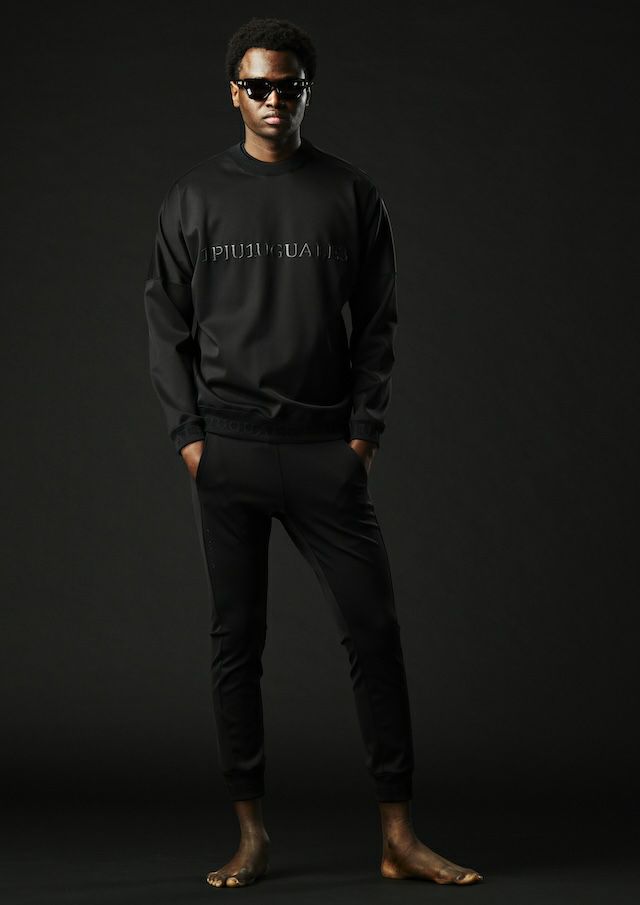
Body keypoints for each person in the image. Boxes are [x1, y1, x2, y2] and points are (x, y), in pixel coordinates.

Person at [143, 15, 483, 890]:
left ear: (306, 92)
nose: (272, 100)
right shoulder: (194, 197)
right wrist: (190, 439)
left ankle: (398, 835)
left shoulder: (350, 193)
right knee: (237, 641)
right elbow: (164, 325)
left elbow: (378, 323)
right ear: (234, 92)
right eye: (257, 85)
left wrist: (363, 433)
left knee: (375, 631)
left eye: (287, 86)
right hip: (229, 451)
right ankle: (250, 834)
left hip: (324, 451)